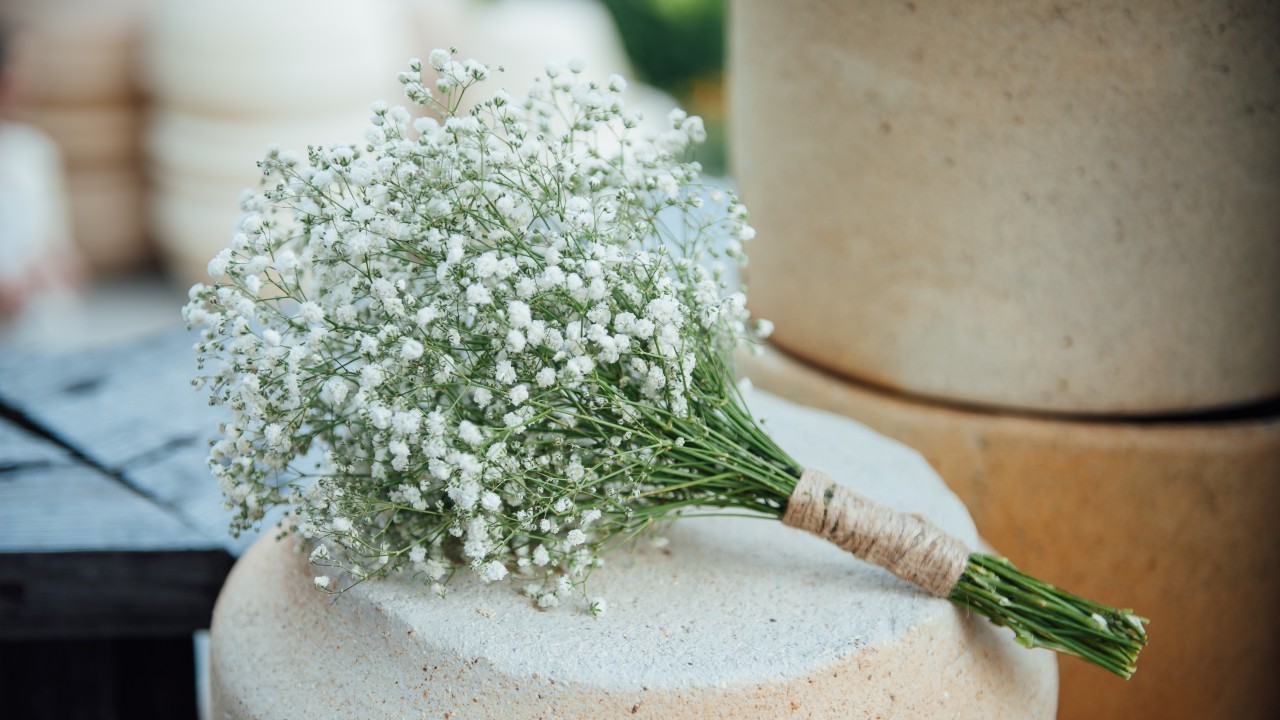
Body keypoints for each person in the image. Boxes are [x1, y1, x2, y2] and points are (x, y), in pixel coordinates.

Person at [0, 20, 84, 322]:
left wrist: (60, 266)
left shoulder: (33, 151)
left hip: (45, 335)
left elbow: (63, 251)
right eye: (22, 67)